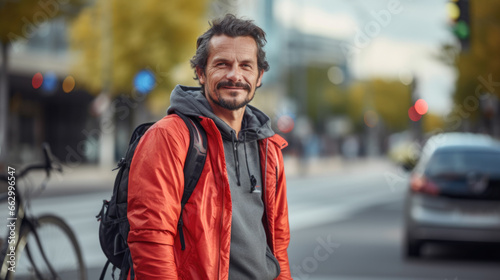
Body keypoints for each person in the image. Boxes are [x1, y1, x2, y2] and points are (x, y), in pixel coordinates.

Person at [127, 14, 292, 279]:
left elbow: (278, 243)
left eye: (246, 66)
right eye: (222, 64)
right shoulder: (170, 136)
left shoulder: (269, 147)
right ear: (201, 73)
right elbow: (151, 239)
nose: (235, 75)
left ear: (259, 76)